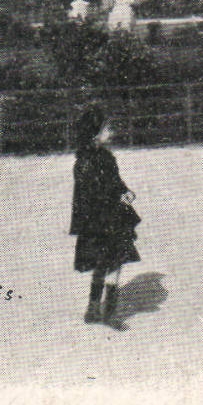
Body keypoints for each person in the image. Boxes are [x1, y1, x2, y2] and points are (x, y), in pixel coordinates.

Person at [69, 106, 140, 330]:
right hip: (100, 221)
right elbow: (91, 193)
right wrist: (115, 198)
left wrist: (125, 191)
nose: (111, 132)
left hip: (113, 218)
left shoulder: (106, 157)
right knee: (104, 264)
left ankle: (106, 310)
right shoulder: (85, 162)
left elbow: (115, 181)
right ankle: (96, 310)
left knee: (115, 262)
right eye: (107, 129)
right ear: (95, 133)